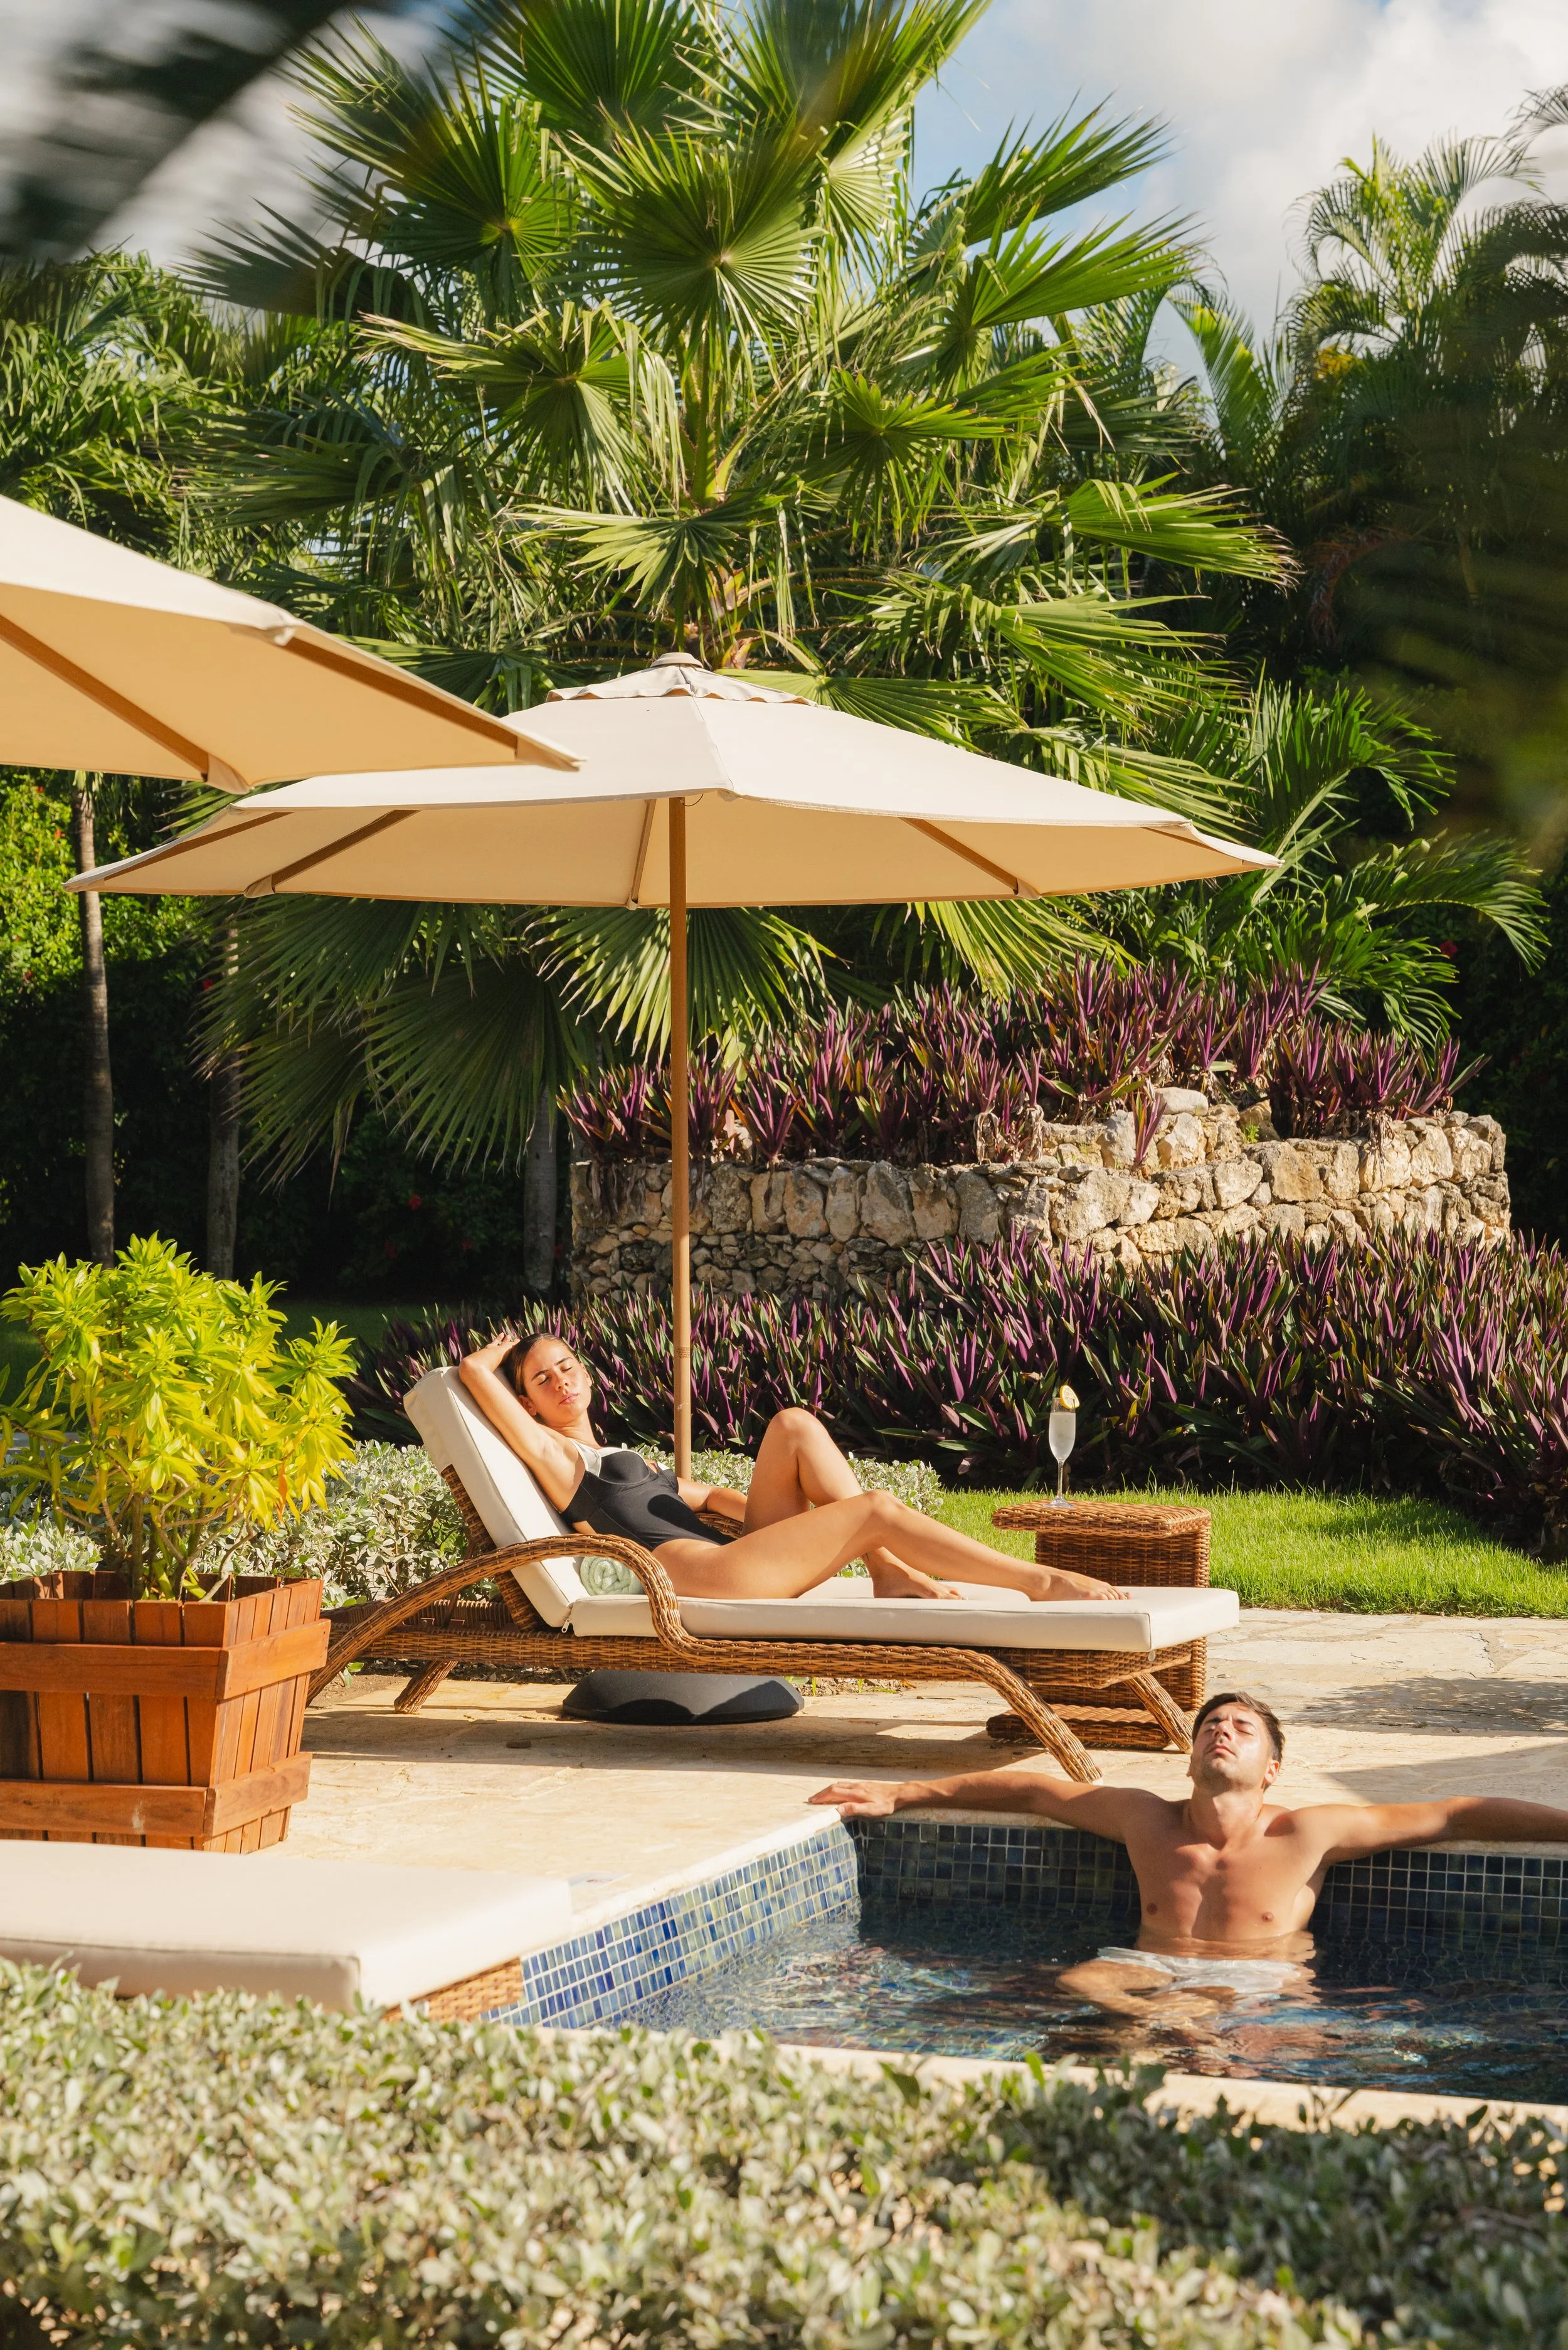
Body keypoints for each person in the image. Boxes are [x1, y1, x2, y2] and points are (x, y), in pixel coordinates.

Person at [811, 1689, 1568, 2028]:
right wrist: (903, 1791)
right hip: (1148, 1973)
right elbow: (1036, 1790)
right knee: (1079, 1983)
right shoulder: (1146, 1817)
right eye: (1210, 1724)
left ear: (1271, 1768)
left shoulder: (1307, 1831)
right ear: (1189, 1756)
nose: (1221, 1731)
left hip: (1262, 1986)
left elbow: (1455, 1813)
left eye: (1241, 1728)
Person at [457, 1329, 1122, 1605]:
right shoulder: (561, 1459)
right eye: (542, 1378)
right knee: (874, 1509)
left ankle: (886, 1568)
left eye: (567, 1366)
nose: (562, 1381)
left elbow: (709, 1497)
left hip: (735, 1554)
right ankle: (1038, 1582)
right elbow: (470, 1373)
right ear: (527, 1405)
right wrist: (492, 1354)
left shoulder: (614, 1454)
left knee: (794, 1425)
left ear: (587, 1373)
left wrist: (797, 1524)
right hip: (711, 1577)